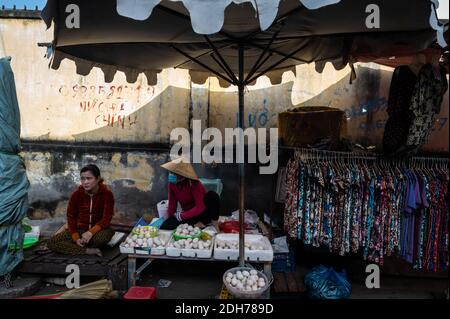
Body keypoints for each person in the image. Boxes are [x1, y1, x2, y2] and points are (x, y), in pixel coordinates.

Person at [47, 164, 115, 257]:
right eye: (82, 179)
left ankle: (75, 247)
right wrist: (75, 237)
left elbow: (107, 218)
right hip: (80, 230)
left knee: (103, 238)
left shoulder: (107, 194)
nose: (85, 182)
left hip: (98, 231)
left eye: (89, 178)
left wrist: (91, 232)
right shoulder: (76, 195)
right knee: (52, 242)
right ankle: (87, 250)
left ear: (98, 178)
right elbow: (71, 217)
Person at [159, 158, 220, 230]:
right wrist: (171, 219)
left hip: (203, 213)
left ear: (182, 175)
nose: (171, 174)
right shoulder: (172, 184)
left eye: (174, 173)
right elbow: (172, 205)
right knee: (165, 226)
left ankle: (215, 226)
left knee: (212, 195)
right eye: (171, 172)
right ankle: (198, 225)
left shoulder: (194, 183)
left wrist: (181, 216)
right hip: (189, 215)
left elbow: (200, 207)